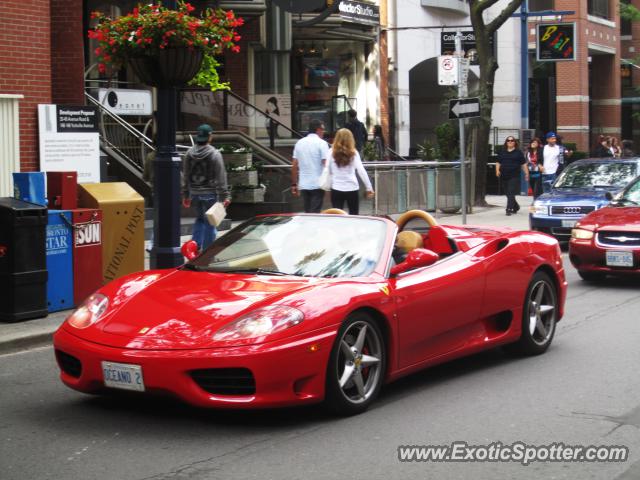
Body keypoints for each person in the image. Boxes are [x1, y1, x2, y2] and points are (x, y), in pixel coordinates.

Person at [182, 124, 231, 251]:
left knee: (199, 219)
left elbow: (185, 175)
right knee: (210, 223)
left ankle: (194, 247)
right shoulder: (214, 154)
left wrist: (186, 195)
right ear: (209, 136)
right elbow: (221, 176)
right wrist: (225, 195)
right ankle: (207, 252)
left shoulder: (189, 153)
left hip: (194, 194)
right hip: (211, 194)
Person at [328, 128, 374, 214]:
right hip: (352, 188)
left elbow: (328, 170)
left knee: (337, 216)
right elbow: (361, 170)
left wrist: (327, 186)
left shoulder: (331, 152)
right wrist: (369, 187)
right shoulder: (354, 152)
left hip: (336, 188)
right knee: (354, 215)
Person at [292, 119, 329, 213]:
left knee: (308, 213)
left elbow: (294, 165)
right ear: (318, 129)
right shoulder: (322, 143)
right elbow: (326, 164)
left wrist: (294, 184)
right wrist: (328, 184)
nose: (324, 132)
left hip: (304, 185)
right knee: (314, 215)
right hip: (318, 185)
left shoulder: (299, 143)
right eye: (323, 129)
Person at [496, 136, 528, 216]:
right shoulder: (502, 152)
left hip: (514, 176)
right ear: (506, 142)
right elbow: (498, 162)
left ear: (514, 142)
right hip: (504, 175)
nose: (510, 142)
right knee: (507, 193)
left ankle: (509, 208)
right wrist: (497, 170)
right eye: (508, 140)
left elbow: (523, 164)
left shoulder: (518, 152)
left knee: (511, 192)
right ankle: (516, 206)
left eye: (512, 140)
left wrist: (527, 173)